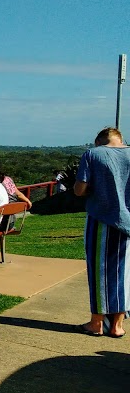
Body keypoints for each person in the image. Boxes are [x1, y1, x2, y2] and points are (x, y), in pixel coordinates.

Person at [73, 127, 129, 338]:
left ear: (100, 140)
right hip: (129, 221)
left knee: (100, 271)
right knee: (125, 273)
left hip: (102, 219)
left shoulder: (93, 154)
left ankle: (97, 322)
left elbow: (79, 189)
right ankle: (117, 325)